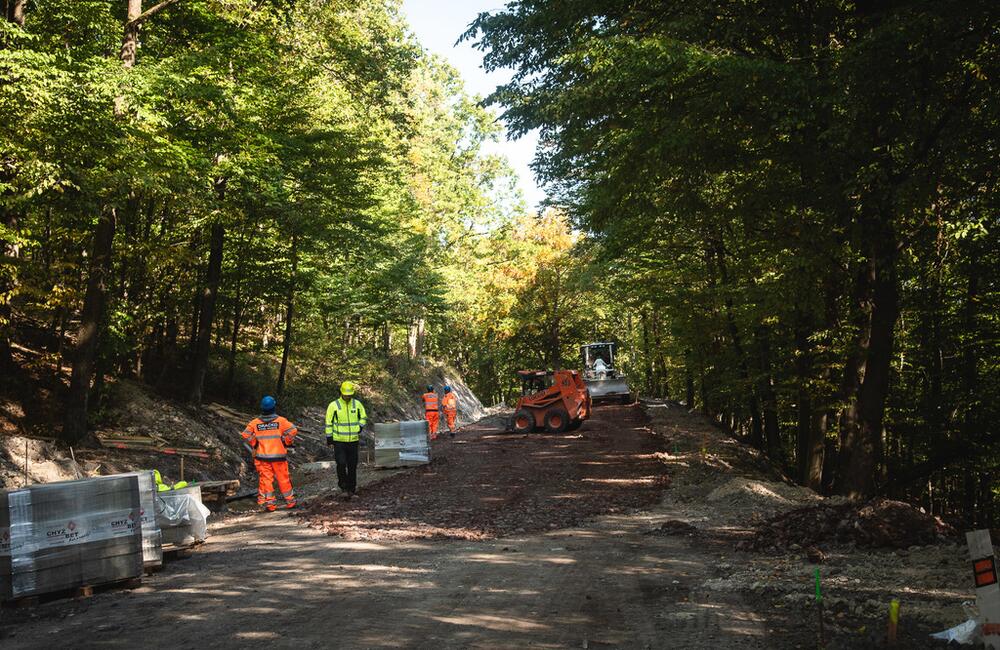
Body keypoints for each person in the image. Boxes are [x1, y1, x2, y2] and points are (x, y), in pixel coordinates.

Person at [240, 395, 298, 512]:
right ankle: (290, 502)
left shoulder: (255, 423)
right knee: (283, 479)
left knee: (267, 481)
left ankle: (270, 505)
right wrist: (286, 441)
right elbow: (293, 430)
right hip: (279, 457)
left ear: (262, 408)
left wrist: (255, 443)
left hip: (263, 457)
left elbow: (245, 434)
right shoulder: (281, 421)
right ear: (274, 407)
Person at [326, 381, 367, 500]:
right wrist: (329, 437)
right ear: (341, 393)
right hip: (339, 440)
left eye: (350, 394)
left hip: (353, 440)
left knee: (352, 465)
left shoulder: (357, 404)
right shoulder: (334, 405)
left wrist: (360, 426)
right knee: (341, 464)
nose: (348, 396)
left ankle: (352, 489)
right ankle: (343, 487)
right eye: (346, 394)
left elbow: (363, 417)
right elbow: (328, 422)